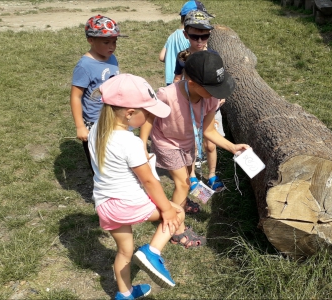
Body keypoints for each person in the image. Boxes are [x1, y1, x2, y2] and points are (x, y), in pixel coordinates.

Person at [88, 74, 185, 299]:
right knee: (177, 212)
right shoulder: (129, 142)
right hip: (126, 203)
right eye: (148, 112)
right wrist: (168, 209)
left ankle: (125, 293)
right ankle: (152, 253)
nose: (151, 116)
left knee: (124, 251)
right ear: (130, 113)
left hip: (105, 205)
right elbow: (149, 181)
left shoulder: (96, 130)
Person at [140, 51, 250, 248]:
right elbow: (149, 118)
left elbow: (208, 131)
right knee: (183, 183)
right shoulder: (167, 95)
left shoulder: (211, 98)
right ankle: (176, 230)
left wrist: (232, 147)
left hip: (189, 142)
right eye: (212, 88)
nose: (217, 93)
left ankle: (179, 207)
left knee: (187, 178)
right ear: (192, 83)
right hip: (167, 142)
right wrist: (141, 145)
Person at [172, 10, 225, 192]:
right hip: (189, 107)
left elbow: (220, 80)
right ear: (186, 34)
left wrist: (221, 97)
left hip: (211, 105)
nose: (200, 41)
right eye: (195, 37)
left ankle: (212, 174)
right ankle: (192, 175)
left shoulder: (214, 56)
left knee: (211, 143)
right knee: (192, 144)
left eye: (205, 36)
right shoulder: (182, 57)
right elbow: (177, 78)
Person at [70, 15, 125, 175]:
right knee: (99, 163)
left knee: (116, 157)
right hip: (94, 122)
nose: (112, 46)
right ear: (91, 40)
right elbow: (75, 96)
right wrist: (80, 126)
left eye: (114, 41)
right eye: (106, 42)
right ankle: (103, 192)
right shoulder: (85, 66)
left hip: (114, 116)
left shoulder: (111, 58)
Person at [159, 1, 213, 85]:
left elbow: (161, 57)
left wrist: (172, 61)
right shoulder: (190, 38)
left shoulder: (172, 35)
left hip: (170, 80)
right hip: (185, 81)